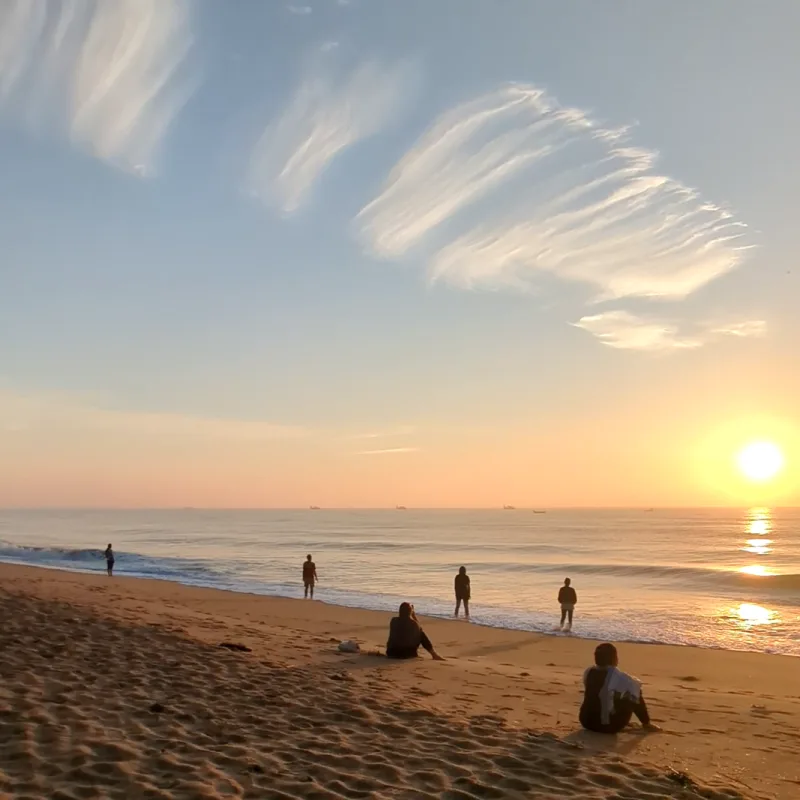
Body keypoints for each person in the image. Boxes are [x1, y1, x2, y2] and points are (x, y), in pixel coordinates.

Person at [579, 643, 660, 734]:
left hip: (586, 722)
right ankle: (646, 723)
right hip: (609, 727)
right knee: (634, 691)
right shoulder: (620, 677)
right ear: (615, 659)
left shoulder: (588, 672)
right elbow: (636, 693)